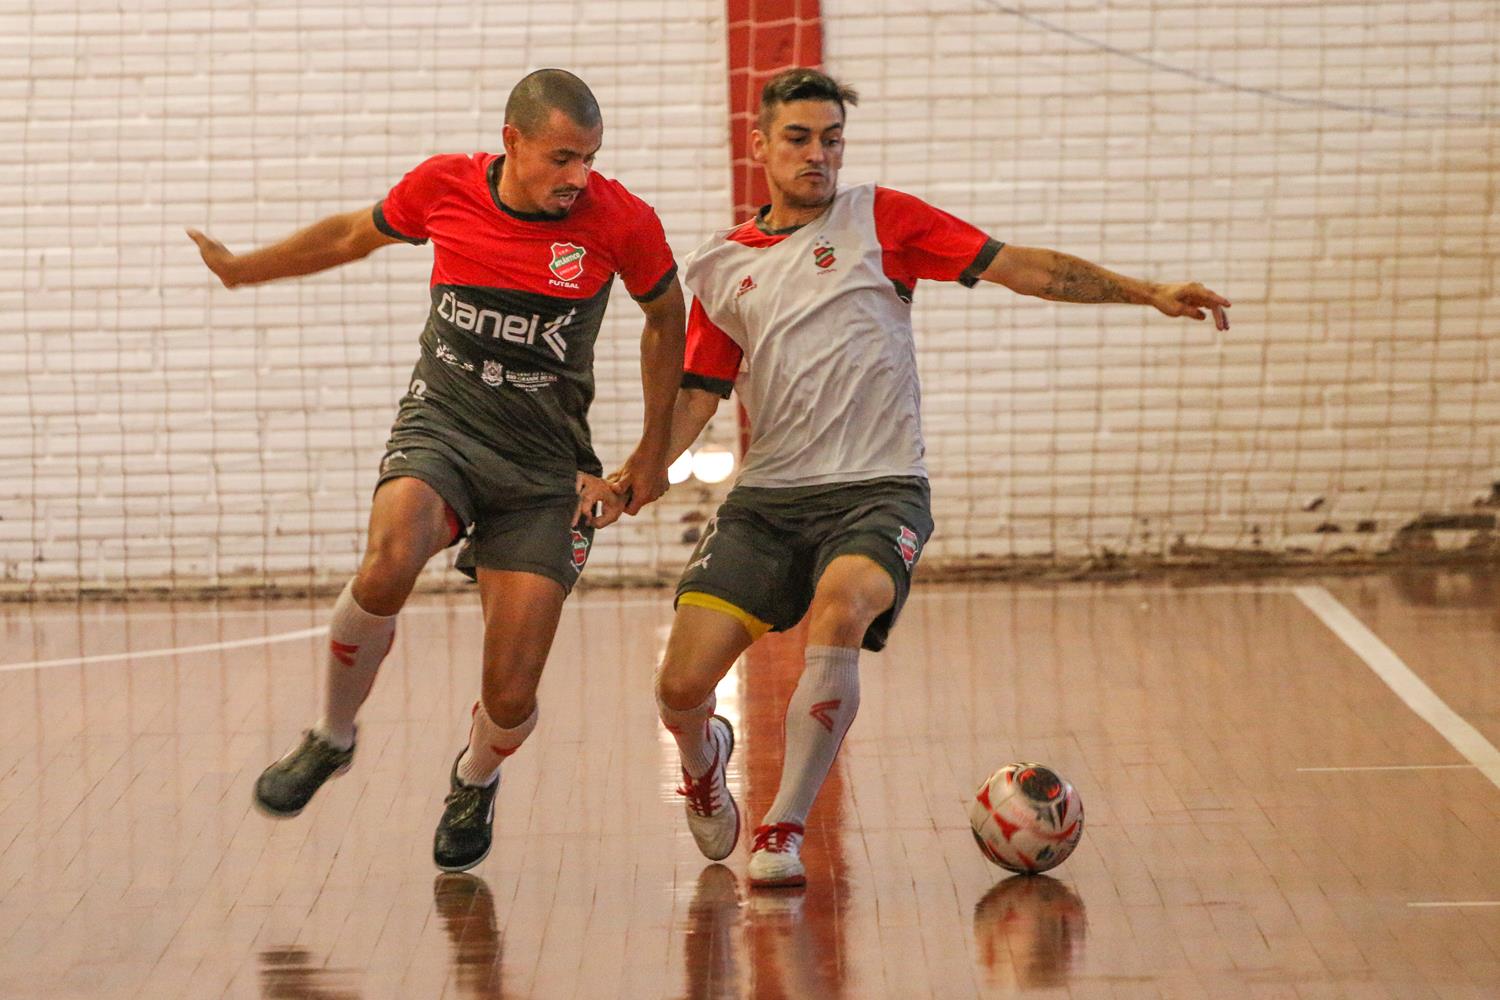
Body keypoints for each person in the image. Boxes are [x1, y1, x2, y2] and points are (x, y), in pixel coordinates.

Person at [654, 67, 1229, 888]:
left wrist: (1148, 292)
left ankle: (782, 827)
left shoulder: (881, 219)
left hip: (879, 488)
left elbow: (1021, 267)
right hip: (769, 499)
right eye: (799, 139)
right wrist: (641, 471)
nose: (818, 155)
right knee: (680, 687)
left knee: (842, 606)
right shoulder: (719, 266)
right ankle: (704, 755)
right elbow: (697, 394)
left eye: (832, 139)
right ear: (759, 146)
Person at [188, 68, 684, 872]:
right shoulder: (444, 187)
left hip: (545, 464)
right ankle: (331, 736)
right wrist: (246, 269)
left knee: (512, 693)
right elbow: (350, 235)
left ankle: (474, 776)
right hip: (445, 427)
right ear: (512, 141)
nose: (578, 177)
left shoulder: (620, 219)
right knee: (389, 557)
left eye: (590, 159)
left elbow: (666, 314)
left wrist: (650, 454)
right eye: (562, 158)